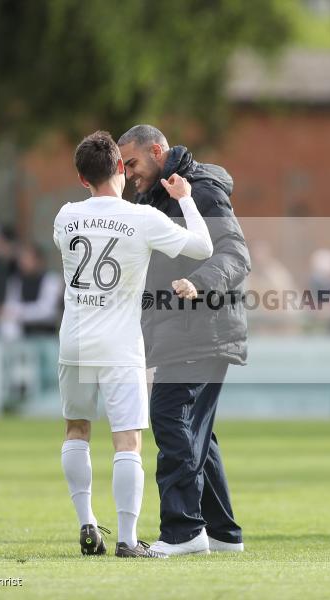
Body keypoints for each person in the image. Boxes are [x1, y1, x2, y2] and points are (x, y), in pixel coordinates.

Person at [54, 131, 213, 559]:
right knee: (128, 441)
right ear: (121, 168)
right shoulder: (140, 219)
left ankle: (87, 522)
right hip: (120, 343)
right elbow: (203, 246)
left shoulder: (66, 216)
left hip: (75, 340)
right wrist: (185, 199)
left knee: (76, 430)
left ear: (82, 178)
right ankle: (126, 538)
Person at [119, 124, 249, 556]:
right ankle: (223, 534)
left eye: (133, 163)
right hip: (182, 331)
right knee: (197, 434)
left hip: (204, 328)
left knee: (171, 417)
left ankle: (183, 531)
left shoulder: (202, 191)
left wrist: (199, 282)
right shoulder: (151, 198)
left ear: (158, 151)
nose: (128, 173)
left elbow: (235, 254)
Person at [0, 243, 62, 339]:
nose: (23, 262)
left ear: (39, 261)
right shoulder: (16, 282)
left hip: (46, 337)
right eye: (22, 259)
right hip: (23, 337)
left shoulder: (51, 280)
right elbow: (9, 309)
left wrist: (19, 312)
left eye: (27, 258)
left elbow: (47, 311)